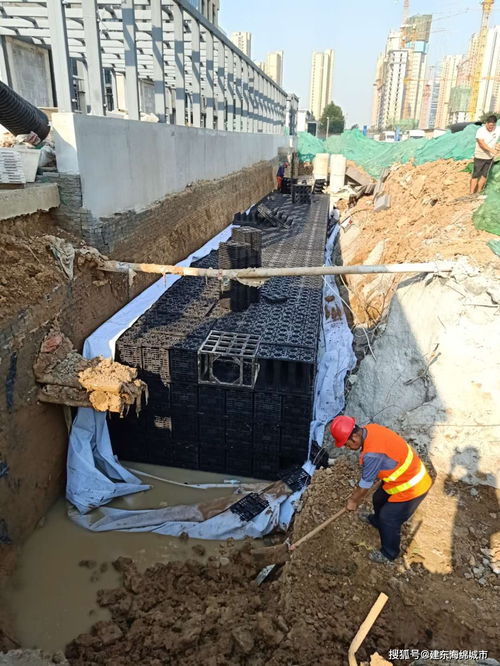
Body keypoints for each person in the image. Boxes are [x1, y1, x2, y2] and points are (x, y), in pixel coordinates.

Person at [330, 416, 432, 564]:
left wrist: (353, 501)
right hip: (401, 477)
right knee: (378, 498)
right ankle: (377, 522)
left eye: (347, 444)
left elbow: (365, 484)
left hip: (413, 486)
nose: (347, 447)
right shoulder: (371, 429)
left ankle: (389, 553)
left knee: (389, 517)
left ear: (355, 436)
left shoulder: (372, 454)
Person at [470, 115, 499, 194]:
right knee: (476, 174)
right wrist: (492, 150)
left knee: (485, 175)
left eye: (493, 126)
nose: (491, 127)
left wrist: (497, 146)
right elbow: (481, 143)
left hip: (490, 157)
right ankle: (471, 193)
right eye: (490, 126)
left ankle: (479, 192)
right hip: (480, 155)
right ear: (486, 123)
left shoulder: (497, 129)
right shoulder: (480, 131)